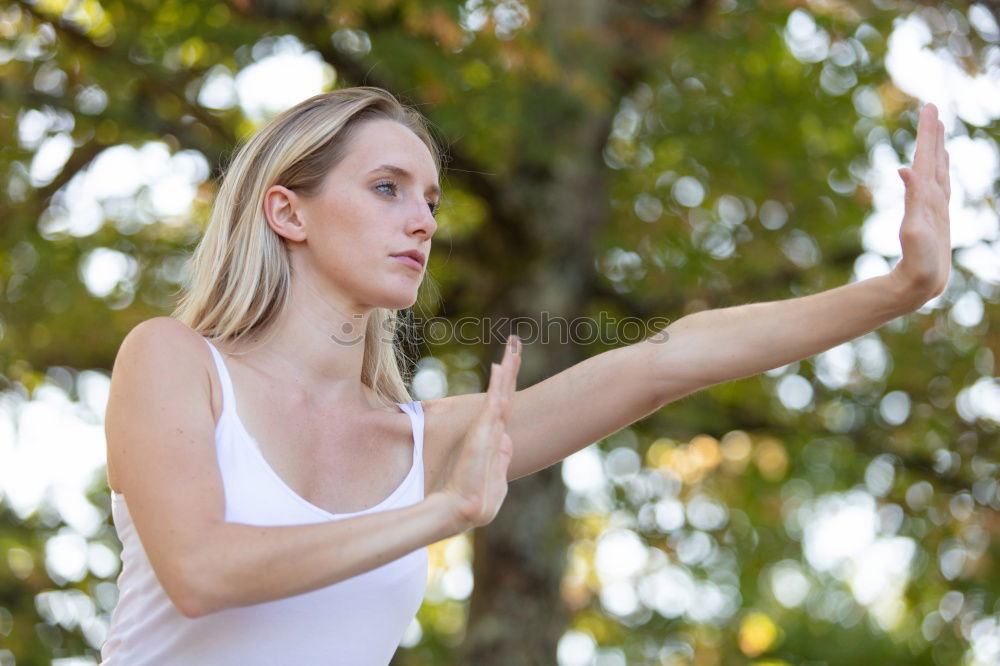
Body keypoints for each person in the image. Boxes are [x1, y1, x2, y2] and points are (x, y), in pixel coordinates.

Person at [100, 87, 951, 665]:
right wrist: (438, 514)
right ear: (287, 211)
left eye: (431, 200)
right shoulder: (174, 359)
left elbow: (667, 361)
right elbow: (203, 571)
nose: (422, 222)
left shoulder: (422, 441)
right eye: (388, 188)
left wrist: (896, 289)